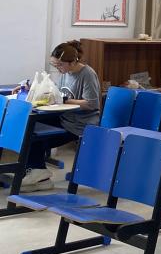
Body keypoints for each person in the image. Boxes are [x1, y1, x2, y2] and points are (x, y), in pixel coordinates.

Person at [21, 41, 102, 191]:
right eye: (55, 65)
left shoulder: (87, 74)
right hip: (65, 117)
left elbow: (92, 104)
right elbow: (57, 94)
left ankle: (39, 175)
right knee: (29, 125)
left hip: (80, 123)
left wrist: (64, 100)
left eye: (60, 65)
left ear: (72, 62)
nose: (58, 69)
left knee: (35, 136)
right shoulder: (66, 73)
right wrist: (31, 88)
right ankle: (37, 173)